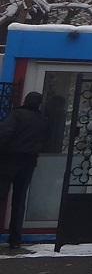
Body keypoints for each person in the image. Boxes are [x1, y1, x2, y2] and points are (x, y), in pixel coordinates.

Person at [0, 91, 47, 250]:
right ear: (39, 103)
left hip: (8, 161)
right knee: (19, 201)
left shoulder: (17, 115)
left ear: (26, 100)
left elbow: (5, 133)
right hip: (28, 163)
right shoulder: (42, 120)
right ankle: (15, 239)